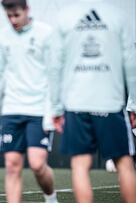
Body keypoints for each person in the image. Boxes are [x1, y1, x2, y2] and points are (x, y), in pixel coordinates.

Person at [48, 0, 136, 202]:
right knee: (124, 163)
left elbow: (54, 67)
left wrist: (55, 107)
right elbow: (131, 65)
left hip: (77, 104)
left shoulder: (64, 17)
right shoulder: (118, 16)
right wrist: (134, 105)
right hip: (111, 103)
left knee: (80, 164)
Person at [0, 0, 58, 202]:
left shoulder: (46, 33)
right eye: (9, 16)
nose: (12, 20)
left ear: (27, 10)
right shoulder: (4, 38)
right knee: (12, 165)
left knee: (37, 164)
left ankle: (50, 197)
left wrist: (53, 111)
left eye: (16, 15)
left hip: (39, 110)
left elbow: (54, 74)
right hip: (12, 110)